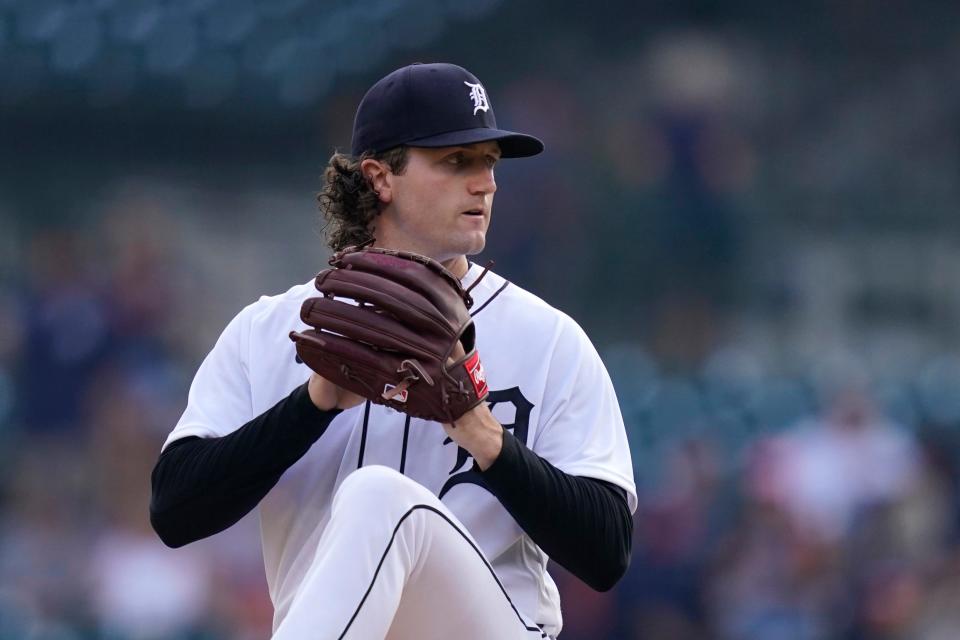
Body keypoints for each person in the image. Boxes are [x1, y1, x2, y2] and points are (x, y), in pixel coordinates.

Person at [150, 62, 636, 639]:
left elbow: (607, 553)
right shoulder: (272, 331)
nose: (485, 182)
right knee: (375, 499)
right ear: (381, 178)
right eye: (457, 161)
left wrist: (478, 429)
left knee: (379, 497)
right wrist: (315, 402)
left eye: (489, 161)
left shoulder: (549, 339)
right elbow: (175, 511)